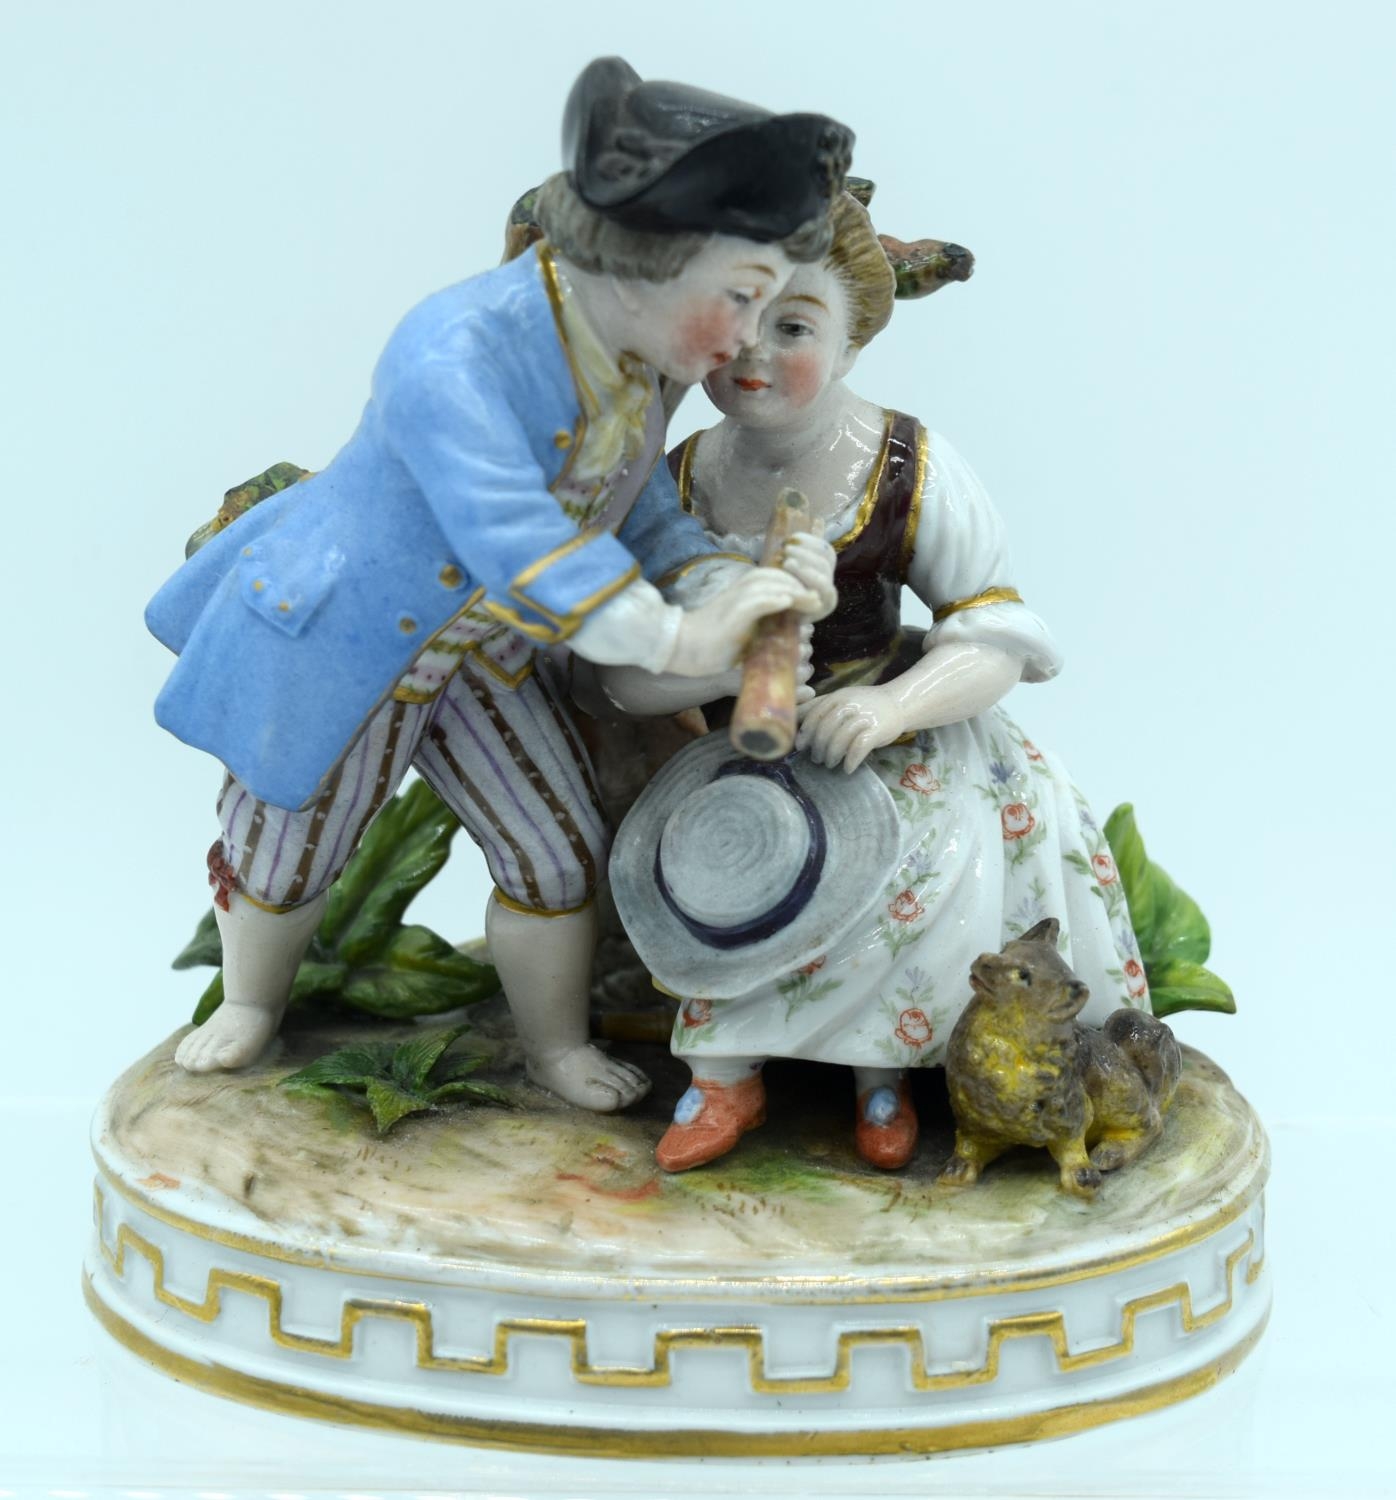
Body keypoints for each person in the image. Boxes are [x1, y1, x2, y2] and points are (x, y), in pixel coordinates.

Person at [145, 57, 845, 1110]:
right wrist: (675, 641)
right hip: (347, 646)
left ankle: (554, 1048)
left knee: (555, 852)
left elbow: (632, 510)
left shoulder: (637, 361)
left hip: (487, 653)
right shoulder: (452, 352)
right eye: (742, 296)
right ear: (650, 263)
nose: (747, 336)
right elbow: (515, 537)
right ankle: (252, 1001)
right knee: (287, 852)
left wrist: (724, 583)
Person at [602, 188, 1149, 1167]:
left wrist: (893, 706)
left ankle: (881, 1077)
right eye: (730, 317)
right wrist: (717, 663)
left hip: (890, 735)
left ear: (852, 340)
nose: (753, 352)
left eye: (794, 326)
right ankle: (724, 1079)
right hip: (736, 746)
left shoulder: (908, 464)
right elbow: (620, 681)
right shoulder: (674, 482)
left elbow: (996, 635)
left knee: (929, 860)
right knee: (724, 872)